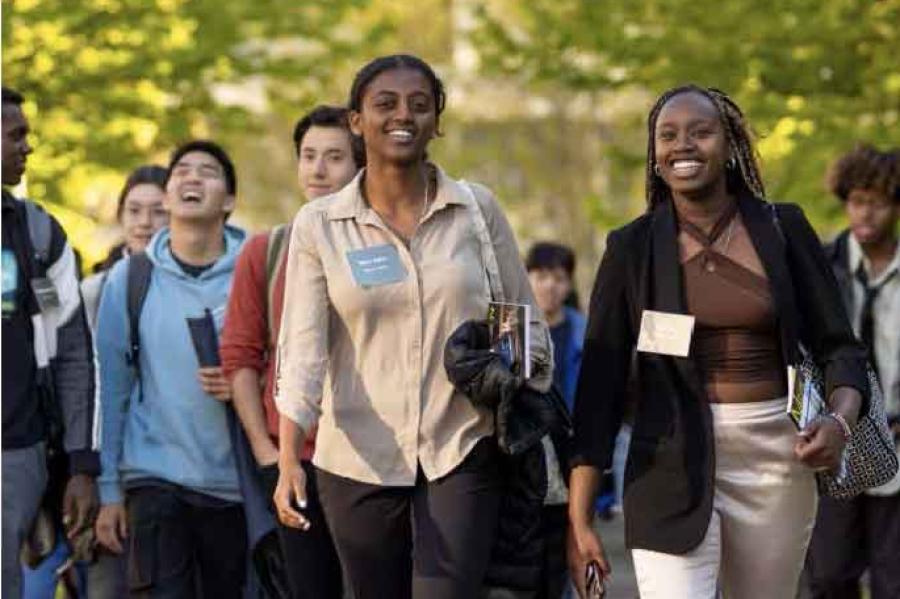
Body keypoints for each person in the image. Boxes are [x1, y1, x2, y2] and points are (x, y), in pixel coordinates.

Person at [566, 85, 870, 599]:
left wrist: (839, 423)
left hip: (776, 458)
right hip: (667, 461)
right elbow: (599, 391)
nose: (682, 145)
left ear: (729, 145)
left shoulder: (784, 229)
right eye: (668, 135)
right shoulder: (631, 248)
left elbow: (841, 349)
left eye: (700, 132)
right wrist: (579, 520)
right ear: (654, 154)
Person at [272, 54, 552, 599]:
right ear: (356, 120)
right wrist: (288, 459)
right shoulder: (319, 226)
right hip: (356, 456)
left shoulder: (476, 210)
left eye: (420, 105)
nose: (403, 115)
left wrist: (510, 373)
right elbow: (301, 349)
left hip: (461, 445)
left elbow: (522, 321)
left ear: (437, 122)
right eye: (386, 104)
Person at [220, 104, 363, 598]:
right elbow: (239, 357)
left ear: (361, 165)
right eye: (308, 156)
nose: (318, 170)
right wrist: (267, 452)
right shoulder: (268, 251)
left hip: (374, 461)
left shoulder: (384, 248)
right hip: (295, 461)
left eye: (334, 157)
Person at [94, 140, 248, 597]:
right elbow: (112, 390)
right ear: (168, 195)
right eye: (182, 170)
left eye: (208, 171)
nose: (192, 178)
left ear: (230, 202)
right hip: (154, 477)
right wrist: (108, 490)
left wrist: (244, 383)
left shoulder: (256, 275)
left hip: (236, 487)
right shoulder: (131, 279)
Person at [2, 86, 100, 599]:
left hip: (17, 455)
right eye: (15, 134)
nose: (27, 147)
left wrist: (81, 463)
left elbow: (74, 357)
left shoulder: (41, 236)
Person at [801, 144, 900, 599]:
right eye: (856, 201)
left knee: (893, 577)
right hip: (839, 440)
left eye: (877, 203)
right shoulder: (822, 265)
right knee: (829, 575)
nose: (865, 214)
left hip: (898, 444)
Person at [525, 242, 586, 599]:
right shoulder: (511, 326)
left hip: (569, 461)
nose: (550, 286)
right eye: (542, 276)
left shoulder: (584, 332)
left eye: (560, 278)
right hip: (525, 459)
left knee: (568, 561)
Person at [82, 165, 169, 328]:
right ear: (121, 215)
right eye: (134, 211)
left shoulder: (193, 285)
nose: (144, 222)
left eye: (158, 212)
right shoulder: (94, 290)